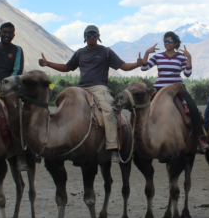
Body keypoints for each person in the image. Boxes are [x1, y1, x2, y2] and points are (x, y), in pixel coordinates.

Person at [38, 25, 142, 165]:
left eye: (94, 34)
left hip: (99, 87)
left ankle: (113, 148)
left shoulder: (106, 51)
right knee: (61, 108)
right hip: (80, 87)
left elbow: (123, 66)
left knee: (108, 112)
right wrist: (47, 63)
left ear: (98, 36)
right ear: (84, 37)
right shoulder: (79, 53)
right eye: (89, 34)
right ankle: (59, 144)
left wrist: (137, 64)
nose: (91, 37)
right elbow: (67, 67)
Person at [141, 31, 209, 150]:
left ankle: (200, 138)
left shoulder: (181, 57)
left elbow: (187, 73)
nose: (167, 43)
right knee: (143, 109)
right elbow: (144, 67)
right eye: (165, 41)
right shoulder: (158, 56)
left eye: (170, 41)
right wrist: (147, 53)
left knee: (193, 108)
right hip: (159, 87)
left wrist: (189, 58)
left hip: (177, 87)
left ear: (175, 43)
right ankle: (139, 140)